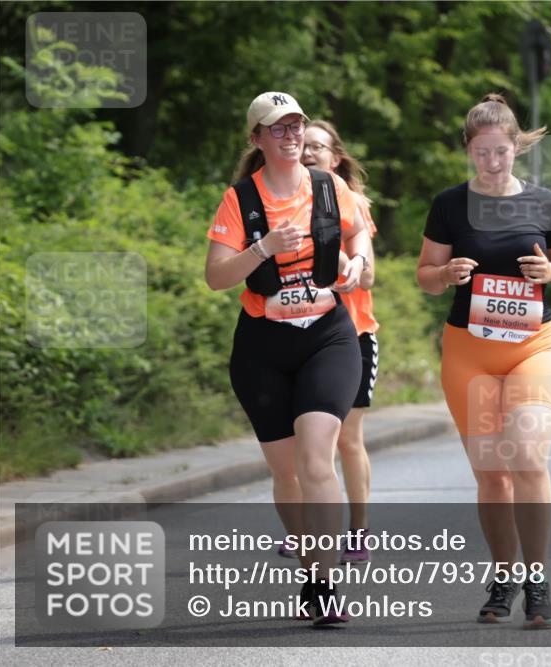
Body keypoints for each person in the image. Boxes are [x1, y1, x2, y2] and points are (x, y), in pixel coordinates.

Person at [205, 91, 370, 626]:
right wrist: (264, 248)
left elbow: (360, 228)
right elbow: (216, 277)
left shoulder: (328, 186)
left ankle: (326, 584)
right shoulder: (239, 201)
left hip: (328, 336)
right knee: (287, 475)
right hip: (263, 348)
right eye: (277, 128)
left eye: (296, 125)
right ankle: (309, 565)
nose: (291, 135)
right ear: (256, 138)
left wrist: (358, 259)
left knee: (318, 455)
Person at [416, 93, 551, 628]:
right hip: (469, 351)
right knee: (491, 476)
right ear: (469, 150)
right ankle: (503, 575)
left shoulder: (543, 202)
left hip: (533, 346)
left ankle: (538, 579)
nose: (491, 162)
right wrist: (446, 276)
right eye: (481, 153)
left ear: (516, 148)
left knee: (527, 457)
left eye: (500, 152)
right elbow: (424, 274)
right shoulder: (448, 204)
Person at [298, 119, 378, 562]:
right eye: (304, 146)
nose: (309, 153)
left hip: (351, 333)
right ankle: (308, 528)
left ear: (336, 157)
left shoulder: (351, 203)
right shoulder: (280, 200)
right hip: (300, 331)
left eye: (318, 147)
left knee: (345, 438)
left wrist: (349, 261)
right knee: (305, 440)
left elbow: (370, 275)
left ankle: (358, 528)